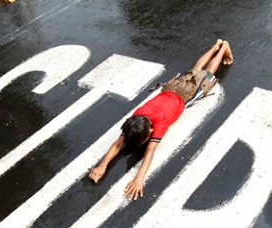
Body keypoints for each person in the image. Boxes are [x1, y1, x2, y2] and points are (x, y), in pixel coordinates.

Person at [88, 40, 233, 200]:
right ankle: (216, 46)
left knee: (207, 74)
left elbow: (149, 152)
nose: (144, 144)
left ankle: (222, 48)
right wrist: (103, 165)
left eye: (144, 139)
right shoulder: (137, 118)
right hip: (172, 88)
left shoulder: (159, 123)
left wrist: (138, 179)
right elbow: (118, 144)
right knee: (195, 71)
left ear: (150, 131)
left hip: (183, 93)